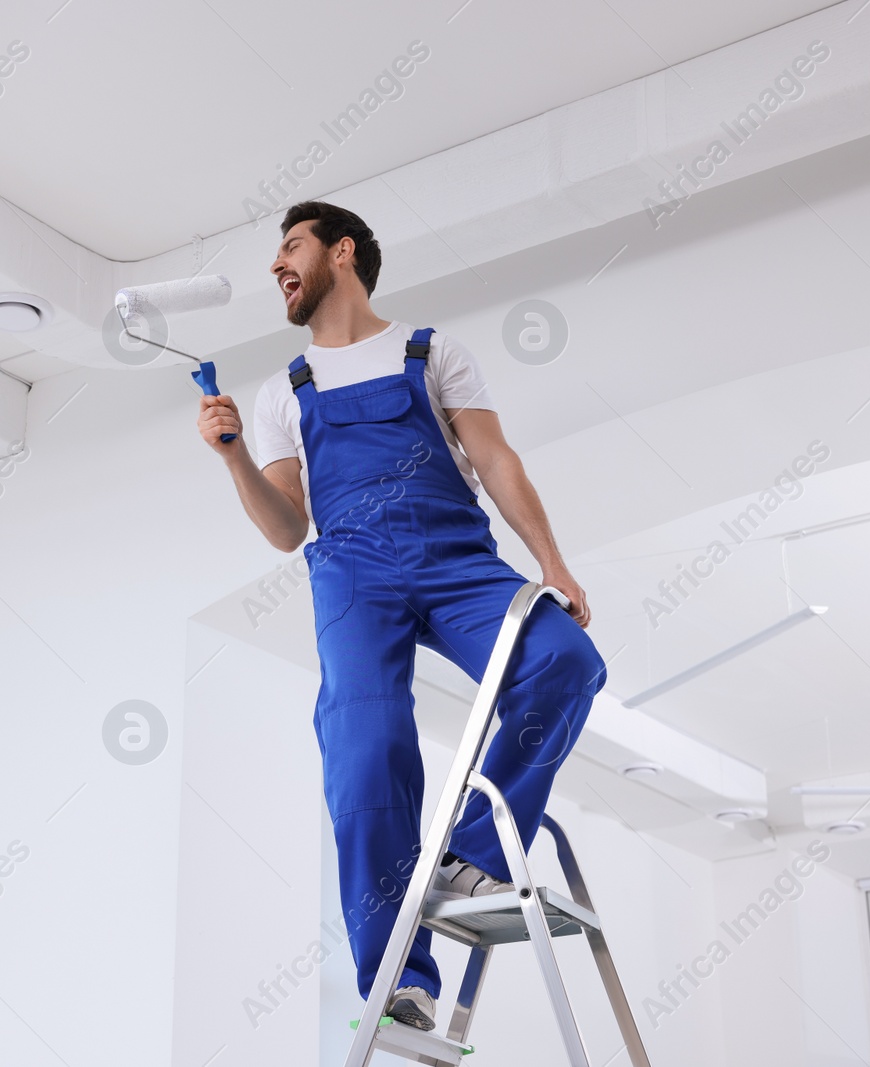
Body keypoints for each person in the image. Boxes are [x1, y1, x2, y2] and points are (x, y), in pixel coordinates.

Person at [196, 201, 606, 1032]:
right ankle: (398, 974)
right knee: (366, 741)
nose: (278, 265)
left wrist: (551, 563)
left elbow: (493, 458)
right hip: (353, 571)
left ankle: (470, 855)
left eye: (291, 247)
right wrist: (234, 452)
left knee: (567, 661)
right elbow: (285, 528)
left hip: (456, 558)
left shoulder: (433, 351)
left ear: (341, 253)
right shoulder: (284, 391)